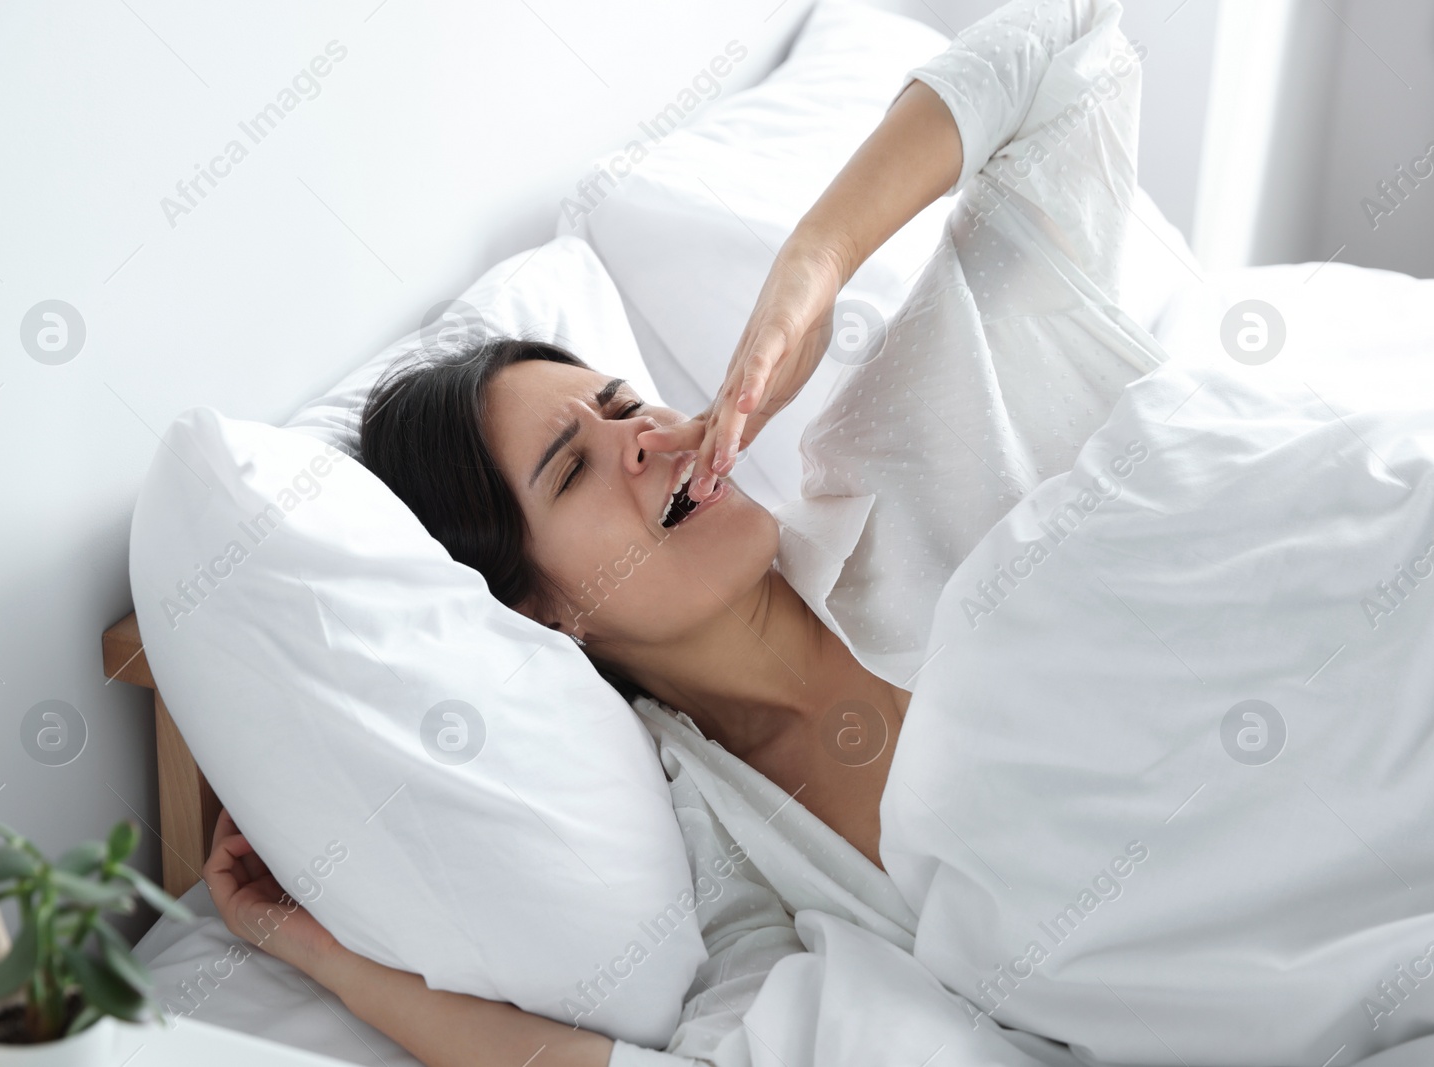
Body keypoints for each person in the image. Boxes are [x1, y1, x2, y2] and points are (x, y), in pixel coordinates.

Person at [205, 0, 1173, 1062]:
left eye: (624, 406)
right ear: (540, 610)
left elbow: (1067, 38)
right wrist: (325, 957)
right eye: (573, 466)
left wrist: (816, 263)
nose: (646, 440)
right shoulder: (723, 840)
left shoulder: (903, 452)